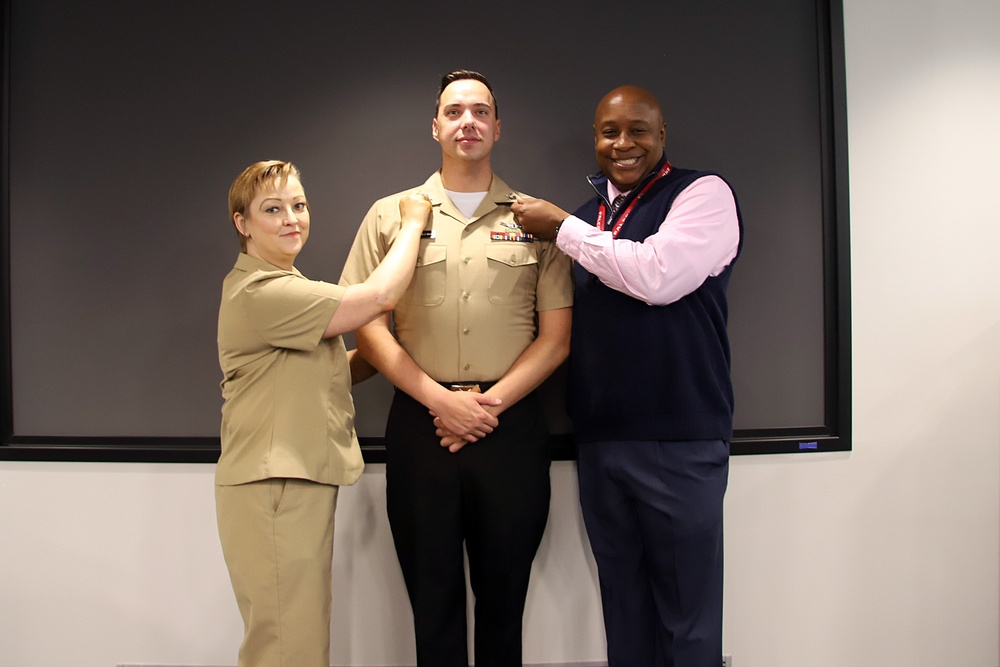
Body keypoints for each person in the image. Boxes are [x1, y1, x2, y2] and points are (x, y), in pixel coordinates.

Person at [340, 70, 573, 667]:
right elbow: (366, 324)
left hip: (510, 428)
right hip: (422, 429)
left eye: (480, 111)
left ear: (497, 126)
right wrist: (439, 402)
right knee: (432, 604)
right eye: (455, 111)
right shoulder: (390, 216)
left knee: (504, 605)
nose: (467, 121)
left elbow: (555, 340)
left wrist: (482, 406)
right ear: (436, 126)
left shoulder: (535, 219)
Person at [511, 85, 743, 667]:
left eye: (638, 129)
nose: (623, 143)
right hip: (602, 443)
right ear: (595, 139)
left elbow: (658, 276)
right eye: (609, 131)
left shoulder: (701, 194)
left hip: (680, 442)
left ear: (662, 136)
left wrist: (561, 228)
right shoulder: (588, 218)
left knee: (687, 621)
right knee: (624, 609)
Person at [215, 160, 431, 667]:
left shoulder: (285, 285)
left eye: (299, 205)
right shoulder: (264, 291)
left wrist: (393, 353)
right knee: (289, 646)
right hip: (276, 485)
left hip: (289, 481)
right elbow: (378, 296)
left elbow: (329, 369)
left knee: (297, 635)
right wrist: (414, 222)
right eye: (273, 209)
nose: (292, 218)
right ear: (242, 223)